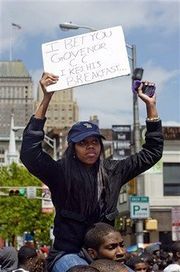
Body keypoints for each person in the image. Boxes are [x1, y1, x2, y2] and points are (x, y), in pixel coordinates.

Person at [20, 72, 164, 272]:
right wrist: (46, 98)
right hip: (68, 253)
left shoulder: (113, 170)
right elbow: (29, 154)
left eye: (94, 142)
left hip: (103, 254)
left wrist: (150, 106)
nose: (90, 147)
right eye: (83, 143)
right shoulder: (60, 172)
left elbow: (152, 153)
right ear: (73, 147)